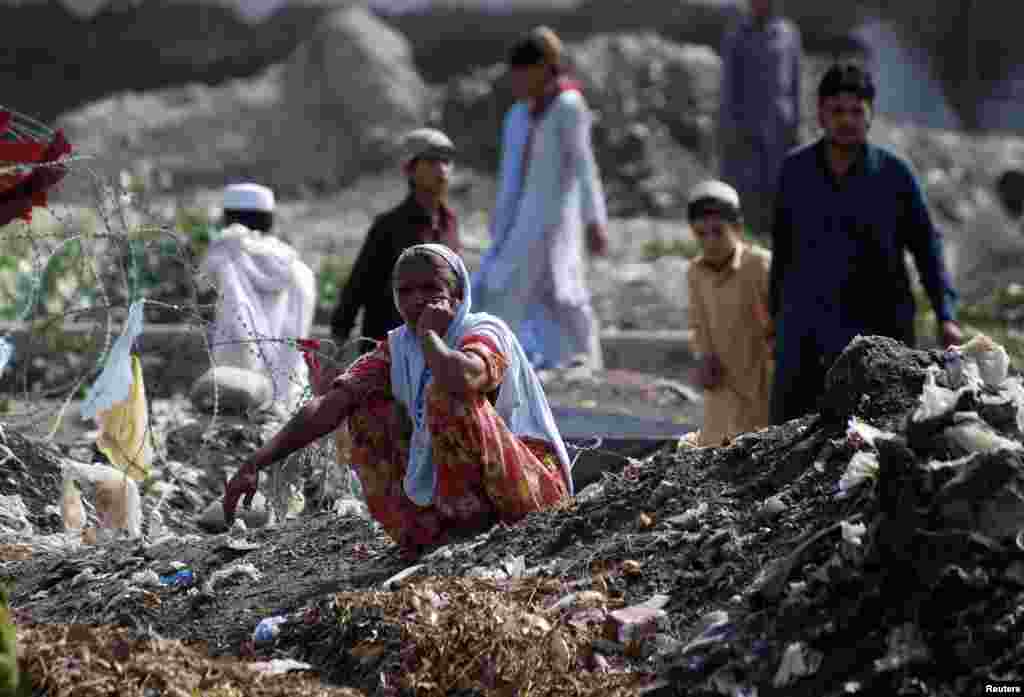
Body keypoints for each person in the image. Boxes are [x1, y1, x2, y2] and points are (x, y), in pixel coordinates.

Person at [224, 244, 573, 557]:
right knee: (364, 409)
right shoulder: (399, 348)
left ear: (457, 294)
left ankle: (469, 531)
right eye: (405, 291)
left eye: (431, 288)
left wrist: (430, 335)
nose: (417, 300)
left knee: (444, 394)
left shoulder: (484, 331)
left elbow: (462, 378)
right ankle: (425, 534)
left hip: (531, 490)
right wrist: (256, 462)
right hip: (463, 501)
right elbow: (329, 407)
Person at [769, 63, 963, 425]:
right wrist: (774, 317)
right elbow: (782, 250)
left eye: (856, 111)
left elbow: (927, 247)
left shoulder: (895, 175)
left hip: (879, 331)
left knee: (878, 435)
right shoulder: (795, 172)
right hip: (806, 332)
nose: (847, 120)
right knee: (789, 432)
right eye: (837, 111)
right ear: (820, 114)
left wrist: (945, 314)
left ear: (870, 115)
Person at [474, 26, 609, 370]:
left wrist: (595, 220)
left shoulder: (568, 107)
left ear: (542, 69)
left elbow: (584, 166)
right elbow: (509, 177)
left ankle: (586, 364)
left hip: (555, 222)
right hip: (519, 223)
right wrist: (500, 222)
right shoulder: (518, 116)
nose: (516, 82)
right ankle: (501, 362)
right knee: (501, 289)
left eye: (522, 73)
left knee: (565, 295)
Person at [331, 128, 461, 351]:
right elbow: (359, 284)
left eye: (446, 161)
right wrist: (339, 335)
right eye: (431, 161)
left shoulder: (450, 223)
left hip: (436, 349)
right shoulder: (390, 226)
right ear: (410, 169)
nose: (442, 169)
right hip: (389, 350)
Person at [202, 182, 317, 411]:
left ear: (227, 219)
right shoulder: (298, 269)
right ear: (270, 220)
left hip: (234, 397)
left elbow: (202, 294)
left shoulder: (224, 258)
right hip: (289, 400)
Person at [686, 180, 773, 446]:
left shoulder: (759, 265)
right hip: (721, 390)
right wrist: (703, 358)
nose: (710, 241)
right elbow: (699, 324)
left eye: (718, 232)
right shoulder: (696, 272)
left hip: (760, 388)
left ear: (737, 228)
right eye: (701, 234)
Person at [719, 0, 802, 240]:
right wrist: (730, 128)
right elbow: (729, 87)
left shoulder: (788, 34)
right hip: (747, 127)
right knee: (748, 190)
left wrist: (796, 123)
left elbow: (794, 83)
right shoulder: (737, 36)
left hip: (780, 127)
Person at [953, 167, 1024, 305]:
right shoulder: (989, 215)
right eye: (1019, 193)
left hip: (989, 280)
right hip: (974, 286)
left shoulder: (1005, 215)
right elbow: (1007, 247)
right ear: (1003, 194)